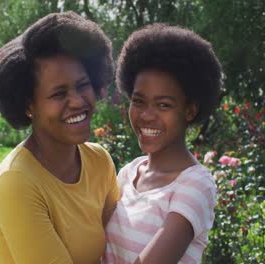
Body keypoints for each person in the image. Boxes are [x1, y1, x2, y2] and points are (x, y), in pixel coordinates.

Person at [0, 11, 119, 264]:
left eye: (82, 85)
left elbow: (120, 246)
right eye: (59, 94)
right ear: (29, 105)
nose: (78, 101)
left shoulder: (99, 161)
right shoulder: (17, 182)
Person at [103, 24, 221, 264]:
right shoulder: (128, 173)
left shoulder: (196, 185)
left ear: (189, 111)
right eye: (138, 101)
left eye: (163, 105)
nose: (146, 115)